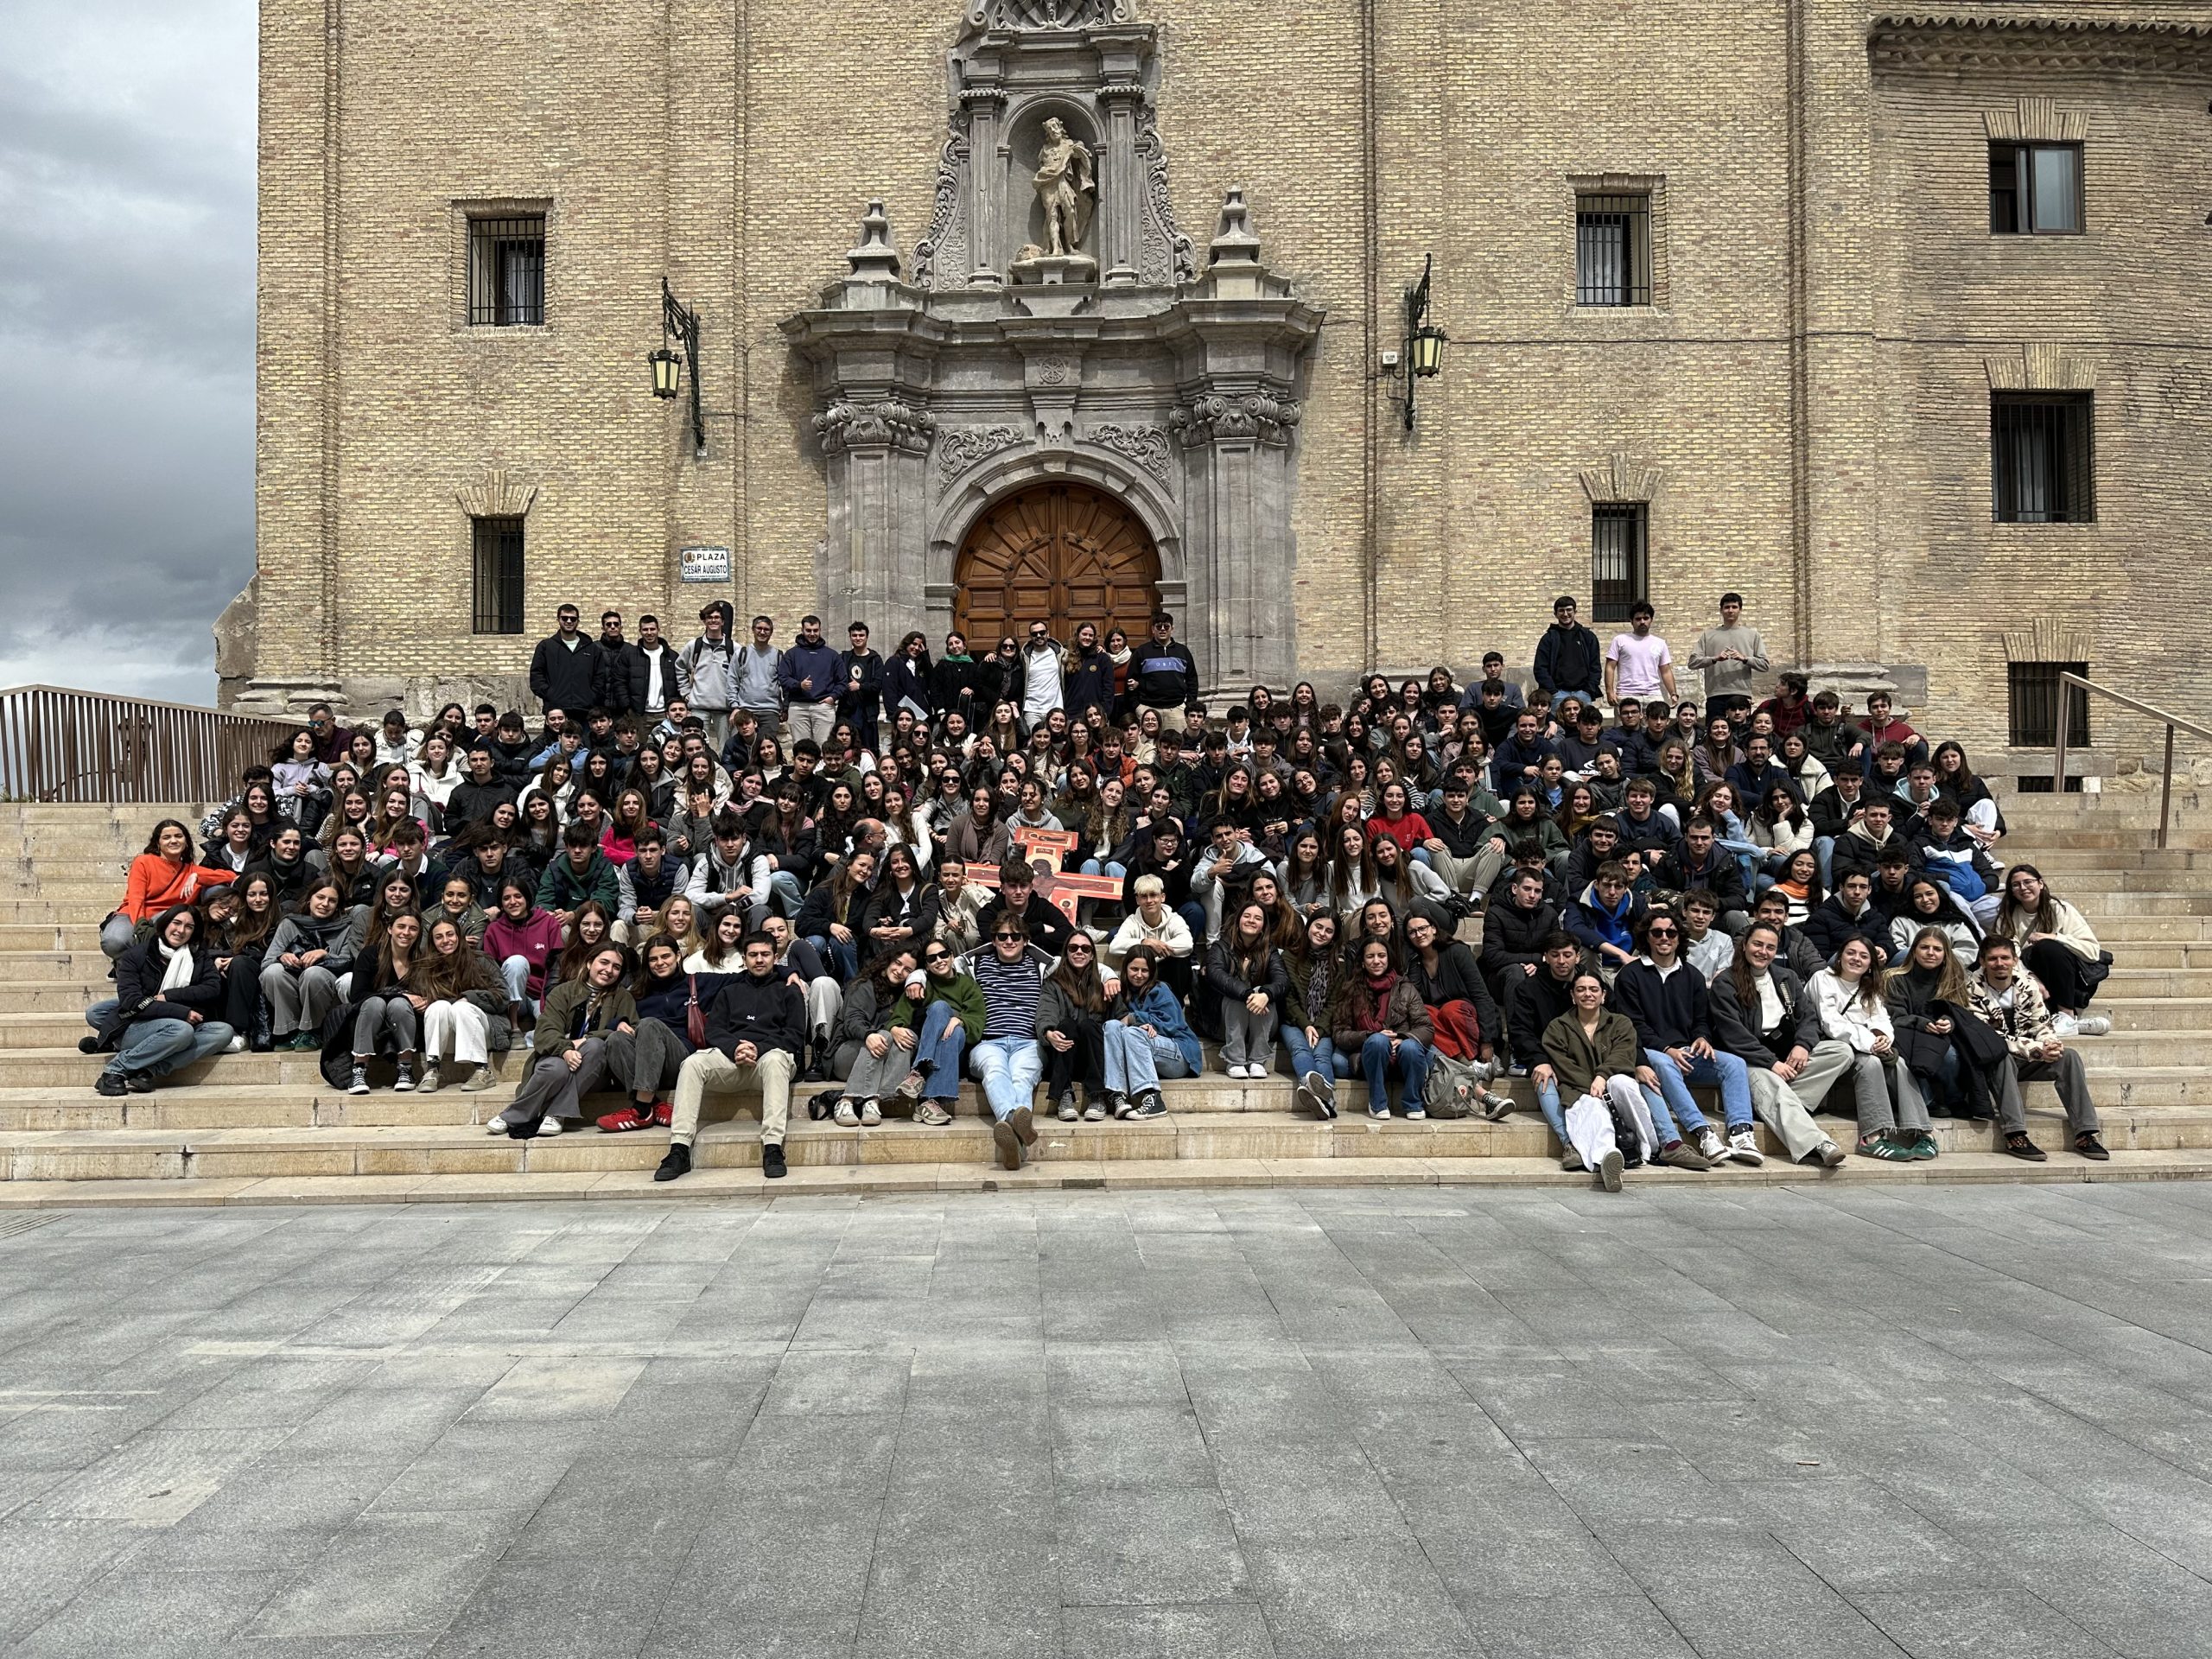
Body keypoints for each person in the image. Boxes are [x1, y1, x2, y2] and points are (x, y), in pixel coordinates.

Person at [1613, 911, 1758, 1166]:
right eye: (1657, 932)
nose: (1664, 938)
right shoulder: (1630, 975)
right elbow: (1632, 1025)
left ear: (1679, 938)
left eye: (1670, 932)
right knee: (1661, 1061)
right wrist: (1667, 1048)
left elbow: (1701, 1019)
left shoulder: (1693, 976)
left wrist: (1702, 1037)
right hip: (1652, 1052)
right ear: (1647, 937)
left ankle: (1741, 1132)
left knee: (1734, 1064)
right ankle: (1702, 1132)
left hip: (1687, 1053)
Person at [655, 930, 802, 1182]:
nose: (759, 960)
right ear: (744, 958)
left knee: (777, 1059)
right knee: (692, 1063)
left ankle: (773, 1147)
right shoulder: (729, 990)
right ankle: (679, 1148)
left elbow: (794, 1036)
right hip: (731, 1060)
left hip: (767, 1062)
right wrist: (735, 1047)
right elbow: (714, 1030)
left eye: (765, 954)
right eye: (753, 955)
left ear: (775, 957)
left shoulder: (789, 991)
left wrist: (759, 1048)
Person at [1706, 924, 1852, 1167]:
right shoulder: (1726, 983)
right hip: (1749, 1060)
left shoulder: (1786, 978)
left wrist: (1803, 1046)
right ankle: (1818, 1143)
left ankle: (1776, 1103)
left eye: (1770, 947)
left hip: (1786, 1055)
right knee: (1769, 1079)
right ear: (1744, 946)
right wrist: (1771, 1063)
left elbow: (1809, 1018)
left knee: (1841, 1052)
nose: (1763, 951)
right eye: (1757, 944)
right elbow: (1734, 1036)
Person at [1970, 937, 2109, 1163]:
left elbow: (2042, 1024)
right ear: (1982, 962)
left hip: (2025, 1057)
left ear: (2015, 960)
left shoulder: (2028, 986)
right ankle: (2015, 1135)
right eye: (1993, 959)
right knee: (2002, 1057)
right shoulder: (1971, 991)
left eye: (2005, 958)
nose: (1999, 963)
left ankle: (2086, 1133)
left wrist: (2050, 1044)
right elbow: (1990, 1039)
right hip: (1989, 1062)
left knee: (2069, 1057)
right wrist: (2036, 1050)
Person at [83, 906, 235, 1097]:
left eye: (189, 926)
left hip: (175, 1024)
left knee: (223, 1032)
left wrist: (168, 996)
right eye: (177, 923)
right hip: (139, 1023)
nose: (181, 931)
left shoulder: (198, 956)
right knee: (181, 1029)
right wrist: (181, 1012)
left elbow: (212, 989)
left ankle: (148, 1069)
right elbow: (132, 1003)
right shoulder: (137, 955)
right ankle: (116, 1069)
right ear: (164, 924)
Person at [490, 942, 637, 1139]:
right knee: (556, 1069)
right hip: (557, 1056)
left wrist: (586, 1038)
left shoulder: (623, 998)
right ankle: (514, 1115)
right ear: (589, 963)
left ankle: (555, 1114)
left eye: (616, 967)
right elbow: (545, 1031)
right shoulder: (563, 992)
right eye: (604, 962)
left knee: (595, 1046)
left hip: (596, 1070)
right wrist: (566, 1049)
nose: (609, 970)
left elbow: (629, 1033)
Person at [1809, 934, 1934, 1160]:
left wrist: (1882, 1037)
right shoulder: (1823, 978)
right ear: (1839, 957)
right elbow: (1831, 1024)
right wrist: (1870, 1043)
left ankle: (1924, 1133)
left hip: (1864, 1046)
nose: (1856, 959)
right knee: (1871, 1063)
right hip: (1832, 1049)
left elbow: (1881, 1019)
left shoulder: (1870, 987)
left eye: (1863, 956)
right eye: (1850, 953)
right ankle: (1873, 1138)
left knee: (1898, 1062)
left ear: (1870, 964)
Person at [1539, 969, 1666, 1190]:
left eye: (1593, 989)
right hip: (1579, 1089)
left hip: (1612, 1084)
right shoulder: (1557, 1027)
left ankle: (1648, 1148)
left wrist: (1602, 1076)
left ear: (1603, 995)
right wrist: (1591, 1086)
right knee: (1592, 1106)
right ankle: (1609, 1158)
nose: (1587, 994)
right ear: (1572, 996)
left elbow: (1623, 1055)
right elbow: (1563, 1065)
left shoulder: (1621, 1023)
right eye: (1581, 989)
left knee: (1623, 1084)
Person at [966, 915, 1052, 1169]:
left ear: (1026, 940)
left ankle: (1014, 1138)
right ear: (993, 940)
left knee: (1021, 1077)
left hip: (1027, 1042)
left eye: (1016, 936)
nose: (1009, 941)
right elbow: (939, 967)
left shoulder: (1041, 966)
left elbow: (1081, 962)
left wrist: (1108, 975)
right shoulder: (976, 964)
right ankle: (1015, 1120)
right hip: (988, 1042)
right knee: (994, 1072)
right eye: (1002, 936)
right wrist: (917, 977)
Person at [1993, 864, 2111, 1035]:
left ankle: (2067, 1014)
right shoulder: (2007, 916)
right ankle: (2075, 1025)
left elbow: (2092, 951)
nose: (2023, 888)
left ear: (2040, 884)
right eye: (2016, 885)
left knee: (2048, 947)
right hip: (2029, 982)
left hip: (2069, 979)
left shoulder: (2060, 909)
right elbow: (2004, 955)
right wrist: (2030, 977)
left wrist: (2055, 937)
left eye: (2028, 882)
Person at [886, 936, 986, 1127]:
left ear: (952, 956)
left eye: (943, 955)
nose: (939, 960)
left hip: (959, 1053)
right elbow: (900, 1015)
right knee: (939, 1008)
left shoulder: (968, 985)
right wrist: (895, 1028)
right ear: (927, 965)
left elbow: (978, 1024)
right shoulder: (921, 984)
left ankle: (919, 1074)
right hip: (926, 1046)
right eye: (932, 958)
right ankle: (930, 1103)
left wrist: (960, 1020)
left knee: (956, 1032)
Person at [104, 820, 238, 958]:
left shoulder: (192, 870)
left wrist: (197, 877)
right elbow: (136, 897)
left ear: (186, 842)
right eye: (166, 837)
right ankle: (123, 963)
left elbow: (231, 876)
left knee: (172, 920)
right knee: (114, 941)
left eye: (178, 836)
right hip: (134, 914)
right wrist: (140, 925)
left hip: (168, 918)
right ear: (158, 843)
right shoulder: (143, 862)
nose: (173, 841)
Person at [1332, 935, 1433, 1119]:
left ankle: (1413, 1104)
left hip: (1402, 1056)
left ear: (1389, 958)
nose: (1376, 961)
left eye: (1381, 956)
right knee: (1378, 1041)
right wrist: (1369, 1035)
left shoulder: (1405, 987)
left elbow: (1425, 1027)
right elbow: (1339, 1033)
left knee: (1411, 1047)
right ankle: (1377, 1104)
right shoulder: (1350, 989)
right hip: (1369, 1056)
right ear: (1362, 961)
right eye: (1370, 957)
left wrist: (1402, 1038)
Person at [1103, 944, 1199, 1119]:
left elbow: (1172, 1024)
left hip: (1179, 1054)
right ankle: (1118, 1094)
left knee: (1132, 1033)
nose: (1139, 975)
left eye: (1144, 970)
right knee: (1111, 1025)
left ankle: (1153, 1097)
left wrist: (1135, 1020)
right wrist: (1138, 1025)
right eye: (1134, 969)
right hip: (1146, 1052)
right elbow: (1118, 1025)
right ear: (1125, 969)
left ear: (1152, 972)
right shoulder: (1122, 992)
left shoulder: (1160, 990)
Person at [827, 945, 920, 1127]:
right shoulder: (863, 985)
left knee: (905, 1036)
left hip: (880, 1062)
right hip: (847, 1056)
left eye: (908, 969)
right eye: (897, 963)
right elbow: (852, 1022)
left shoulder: (906, 995)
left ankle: (873, 1102)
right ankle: (846, 1101)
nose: (900, 971)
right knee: (884, 1035)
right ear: (888, 961)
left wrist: (893, 1030)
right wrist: (869, 1034)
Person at [258, 878, 355, 1047]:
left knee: (313, 974)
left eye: (332, 901)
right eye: (320, 897)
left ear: (338, 905)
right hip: (294, 986)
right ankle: (291, 1030)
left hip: (326, 990)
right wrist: (282, 957)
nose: (325, 904)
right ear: (310, 898)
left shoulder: (346, 926)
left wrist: (325, 954)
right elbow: (266, 962)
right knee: (273, 972)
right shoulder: (290, 923)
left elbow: (349, 962)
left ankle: (313, 1031)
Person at [414, 916, 505, 1093]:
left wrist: (470, 998)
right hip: (446, 1037)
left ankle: (482, 1070)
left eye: (450, 934)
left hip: (481, 1031)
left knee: (461, 1007)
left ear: (459, 936)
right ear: (432, 942)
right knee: (438, 1006)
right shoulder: (425, 968)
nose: (446, 940)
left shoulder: (481, 960)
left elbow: (503, 997)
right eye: (439, 937)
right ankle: (432, 1069)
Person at [341, 910, 428, 1094]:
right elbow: (357, 996)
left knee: (399, 1005)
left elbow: (428, 994)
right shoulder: (370, 954)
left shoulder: (422, 959)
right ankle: (358, 1070)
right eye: (401, 927)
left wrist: (425, 1001)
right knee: (376, 1003)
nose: (406, 932)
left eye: (413, 928)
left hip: (406, 1023)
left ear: (419, 933)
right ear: (390, 929)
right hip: (369, 1021)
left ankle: (405, 1068)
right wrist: (401, 994)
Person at [1206, 900, 1288, 1079]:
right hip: (1225, 1022)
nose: (1252, 920)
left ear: (1263, 927)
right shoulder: (1220, 947)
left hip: (1263, 1022)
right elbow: (1215, 974)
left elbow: (1282, 980)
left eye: (1258, 918)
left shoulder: (1270, 950)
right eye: (1247, 916)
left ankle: (1257, 1060)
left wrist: (1265, 994)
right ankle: (1235, 1061)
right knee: (1236, 994)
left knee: (1263, 991)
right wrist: (1247, 994)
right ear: (1238, 920)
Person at [1038, 931, 1109, 1119]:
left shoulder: (1102, 985)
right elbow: (1046, 1012)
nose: (1079, 952)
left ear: (1092, 954)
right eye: (1073, 948)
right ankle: (1064, 1093)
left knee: (1088, 1025)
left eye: (1085, 948)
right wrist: (1049, 1033)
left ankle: (1096, 1096)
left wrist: (1137, 1023)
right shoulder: (1052, 984)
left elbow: (1121, 1016)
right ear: (1066, 953)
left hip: (1093, 1059)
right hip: (1062, 1054)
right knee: (1067, 1025)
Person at [1688, 592, 1769, 722]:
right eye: (1727, 607)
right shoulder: (1708, 635)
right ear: (1721, 610)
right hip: (1715, 694)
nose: (1730, 610)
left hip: (1741, 693)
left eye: (1734, 607)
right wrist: (1714, 659)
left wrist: (1744, 659)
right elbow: (1692, 663)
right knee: (1714, 733)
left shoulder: (1752, 635)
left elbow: (1765, 665)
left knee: (1741, 734)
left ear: (1740, 610)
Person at [677, 601, 739, 749]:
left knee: (726, 748)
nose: (713, 620)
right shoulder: (694, 646)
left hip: (724, 709)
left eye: (717, 617)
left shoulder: (734, 648)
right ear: (704, 621)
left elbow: (742, 676)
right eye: (709, 617)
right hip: (699, 708)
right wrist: (686, 693)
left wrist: (736, 703)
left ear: (723, 621)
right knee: (696, 747)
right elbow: (679, 668)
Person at [528, 603, 604, 721]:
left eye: (573, 619)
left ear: (578, 621)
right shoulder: (546, 646)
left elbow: (600, 677)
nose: (569, 621)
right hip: (556, 713)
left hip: (585, 711)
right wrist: (551, 694)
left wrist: (591, 696)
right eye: (564, 618)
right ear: (558, 620)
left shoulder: (592, 649)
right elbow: (536, 675)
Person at [777, 614, 842, 746]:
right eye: (808, 631)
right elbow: (783, 678)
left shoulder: (832, 655)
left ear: (820, 630)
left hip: (823, 707)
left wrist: (833, 697)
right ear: (802, 631)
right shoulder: (791, 654)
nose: (812, 634)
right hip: (798, 707)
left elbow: (842, 681)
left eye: (815, 630)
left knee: (825, 748)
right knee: (801, 748)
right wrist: (799, 685)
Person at [1604, 601, 1677, 711]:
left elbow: (1666, 671)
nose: (1642, 622)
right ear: (1631, 621)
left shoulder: (1660, 643)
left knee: (1655, 728)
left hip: (1653, 695)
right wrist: (1610, 692)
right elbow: (1610, 667)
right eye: (1638, 619)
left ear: (1651, 620)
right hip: (1626, 694)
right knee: (1624, 728)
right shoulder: (1620, 640)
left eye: (1646, 618)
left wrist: (1673, 693)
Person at [1533, 594, 1604, 702]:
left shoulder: (1588, 636)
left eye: (1569, 610)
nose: (1565, 614)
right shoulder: (1549, 638)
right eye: (1561, 611)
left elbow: (1596, 667)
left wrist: (1588, 690)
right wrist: (1553, 691)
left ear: (1575, 612)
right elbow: (1540, 668)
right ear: (1555, 614)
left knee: (1584, 720)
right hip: (1557, 695)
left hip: (1583, 694)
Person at [1132, 612, 1199, 715]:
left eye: (1166, 626)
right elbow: (1131, 680)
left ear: (1172, 628)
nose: (1162, 629)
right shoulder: (1142, 651)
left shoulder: (1183, 651)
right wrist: (1137, 707)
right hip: (1148, 709)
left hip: (1177, 709)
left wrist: (1188, 705)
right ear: (1152, 629)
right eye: (1158, 627)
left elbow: (1192, 679)